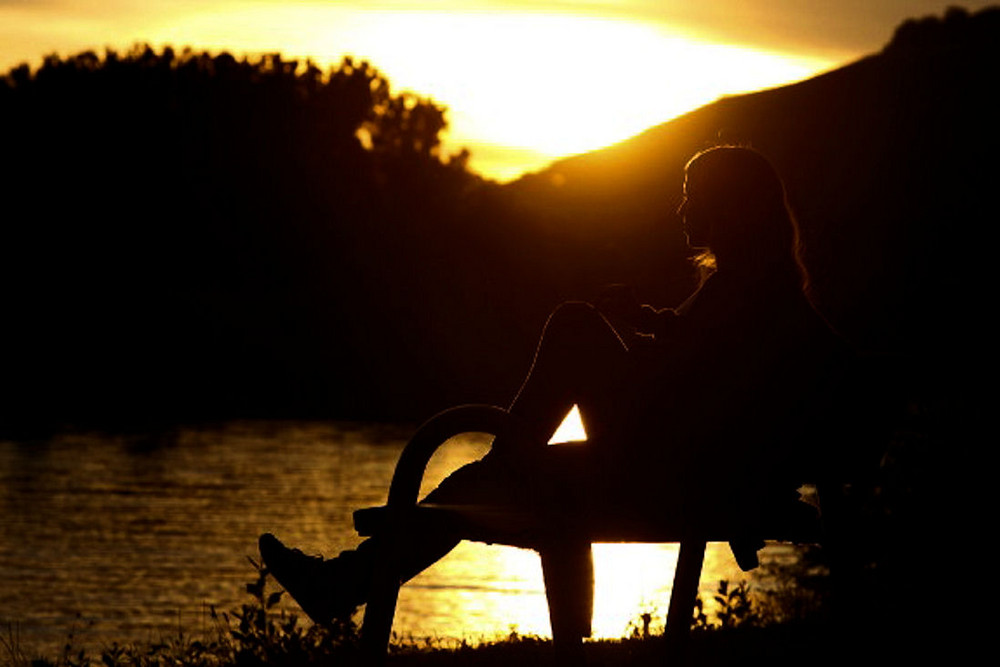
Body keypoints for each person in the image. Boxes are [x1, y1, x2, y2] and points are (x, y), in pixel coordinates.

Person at [259, 145, 847, 625]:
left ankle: (349, 577)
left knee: (571, 328)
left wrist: (640, 341)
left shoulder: (750, 293)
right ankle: (345, 580)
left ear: (728, 208)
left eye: (693, 198)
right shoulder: (764, 292)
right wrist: (648, 329)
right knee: (481, 478)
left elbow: (703, 387)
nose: (681, 211)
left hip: (678, 478)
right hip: (687, 470)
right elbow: (708, 373)